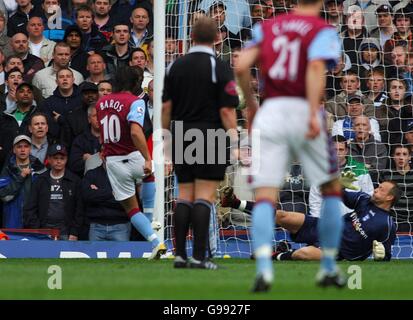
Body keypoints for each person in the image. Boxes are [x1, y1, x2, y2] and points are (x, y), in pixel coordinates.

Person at [235, 0, 344, 291]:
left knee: (266, 195)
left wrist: (252, 104)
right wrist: (311, 112)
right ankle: (330, 267)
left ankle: (263, 269)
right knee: (331, 189)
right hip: (302, 108)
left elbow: (242, 64)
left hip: (270, 111)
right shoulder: (322, 30)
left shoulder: (266, 27)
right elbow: (316, 66)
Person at [162, 17, 239, 270]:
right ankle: (199, 257)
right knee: (204, 197)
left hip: (182, 132)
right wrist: (235, 137)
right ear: (217, 37)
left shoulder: (175, 66)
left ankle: (180, 256)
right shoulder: (219, 66)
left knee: (184, 195)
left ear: (191, 37)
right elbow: (227, 109)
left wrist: (164, 135)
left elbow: (166, 106)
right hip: (210, 132)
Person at [221, 180, 398, 262]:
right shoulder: (364, 200)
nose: (375, 190)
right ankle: (235, 202)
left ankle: (278, 255)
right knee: (283, 216)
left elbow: (386, 255)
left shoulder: (387, 224)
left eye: (381, 190)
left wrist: (381, 256)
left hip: (338, 251)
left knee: (304, 254)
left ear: (389, 197)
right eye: (377, 187)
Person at [96, 66, 165, 259]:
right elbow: (135, 131)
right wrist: (148, 157)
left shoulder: (101, 103)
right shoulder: (136, 102)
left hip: (114, 161)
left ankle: (155, 241)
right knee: (149, 175)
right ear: (135, 83)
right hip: (133, 155)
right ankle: (151, 220)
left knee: (131, 208)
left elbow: (101, 129)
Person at [23, 143, 84, 240]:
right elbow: (30, 207)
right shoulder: (40, 180)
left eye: (62, 158)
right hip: (44, 231)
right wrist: (38, 229)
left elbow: (79, 210)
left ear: (66, 160)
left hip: (66, 232)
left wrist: (74, 232)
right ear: (49, 159)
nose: (59, 161)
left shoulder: (75, 181)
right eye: (55, 158)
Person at [0, 135, 46, 228]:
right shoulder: (7, 170)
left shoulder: (40, 169)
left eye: (26, 146)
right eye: (19, 146)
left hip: (35, 222)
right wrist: (21, 177)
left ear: (30, 149)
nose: (22, 149)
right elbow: (3, 195)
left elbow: (44, 199)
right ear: (14, 150)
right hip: (12, 221)